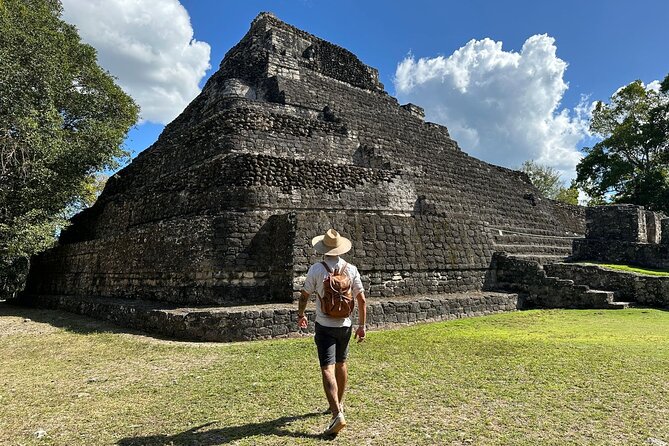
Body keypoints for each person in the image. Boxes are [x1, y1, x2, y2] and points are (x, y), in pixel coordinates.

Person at [297, 228, 367, 436]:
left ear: (324, 249)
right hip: (345, 325)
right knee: (341, 363)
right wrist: (362, 326)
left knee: (326, 368)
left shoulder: (316, 270)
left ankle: (336, 413)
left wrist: (301, 314)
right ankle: (339, 404)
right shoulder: (351, 269)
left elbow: (304, 295)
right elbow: (361, 300)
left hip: (324, 325)